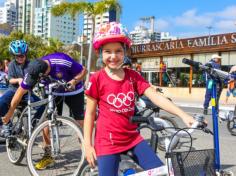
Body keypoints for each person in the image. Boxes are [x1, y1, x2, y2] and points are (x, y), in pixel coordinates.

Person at [84, 22, 196, 176]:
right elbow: (89, 114)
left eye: (118, 51)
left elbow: (156, 97)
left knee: (161, 172)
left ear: (125, 52)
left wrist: (184, 115)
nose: (113, 56)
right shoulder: (97, 79)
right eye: (107, 51)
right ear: (101, 53)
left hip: (132, 138)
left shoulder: (133, 76)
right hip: (107, 143)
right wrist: (88, 145)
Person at [2, 52, 87, 169]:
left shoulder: (62, 62)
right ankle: (48, 155)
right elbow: (19, 93)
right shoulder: (34, 69)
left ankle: (86, 153)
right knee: (46, 120)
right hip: (53, 90)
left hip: (73, 90)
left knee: (80, 123)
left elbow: (83, 70)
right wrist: (9, 113)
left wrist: (74, 81)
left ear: (46, 72)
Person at [0, 40, 44, 137]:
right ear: (14, 56)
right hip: (13, 90)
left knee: (43, 105)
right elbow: (10, 79)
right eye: (17, 56)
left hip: (27, 93)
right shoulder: (11, 64)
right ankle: (7, 124)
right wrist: (18, 80)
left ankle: (34, 122)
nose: (20, 58)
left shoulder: (31, 64)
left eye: (22, 55)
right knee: (1, 102)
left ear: (25, 54)